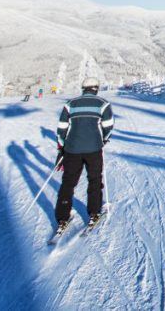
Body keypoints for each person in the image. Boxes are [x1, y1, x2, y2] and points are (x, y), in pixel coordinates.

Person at [54, 77, 114, 231]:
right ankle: (94, 213)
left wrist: (62, 145)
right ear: (96, 88)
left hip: (72, 148)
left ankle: (62, 218)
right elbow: (108, 126)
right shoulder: (103, 104)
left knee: (68, 182)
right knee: (94, 180)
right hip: (93, 148)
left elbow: (62, 127)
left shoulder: (70, 104)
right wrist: (104, 140)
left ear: (83, 88)